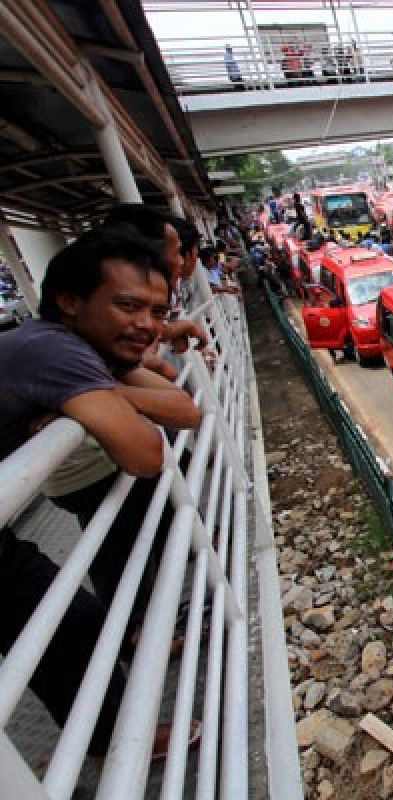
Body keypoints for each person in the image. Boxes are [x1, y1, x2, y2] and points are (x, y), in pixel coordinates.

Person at [0, 225, 202, 758]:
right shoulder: (52, 351)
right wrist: (97, 398)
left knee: (82, 618)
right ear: (69, 300)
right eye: (128, 305)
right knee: (69, 624)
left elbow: (186, 411)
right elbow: (144, 453)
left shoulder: (84, 354)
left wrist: (102, 392)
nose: (147, 325)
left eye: (157, 312)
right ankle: (117, 747)